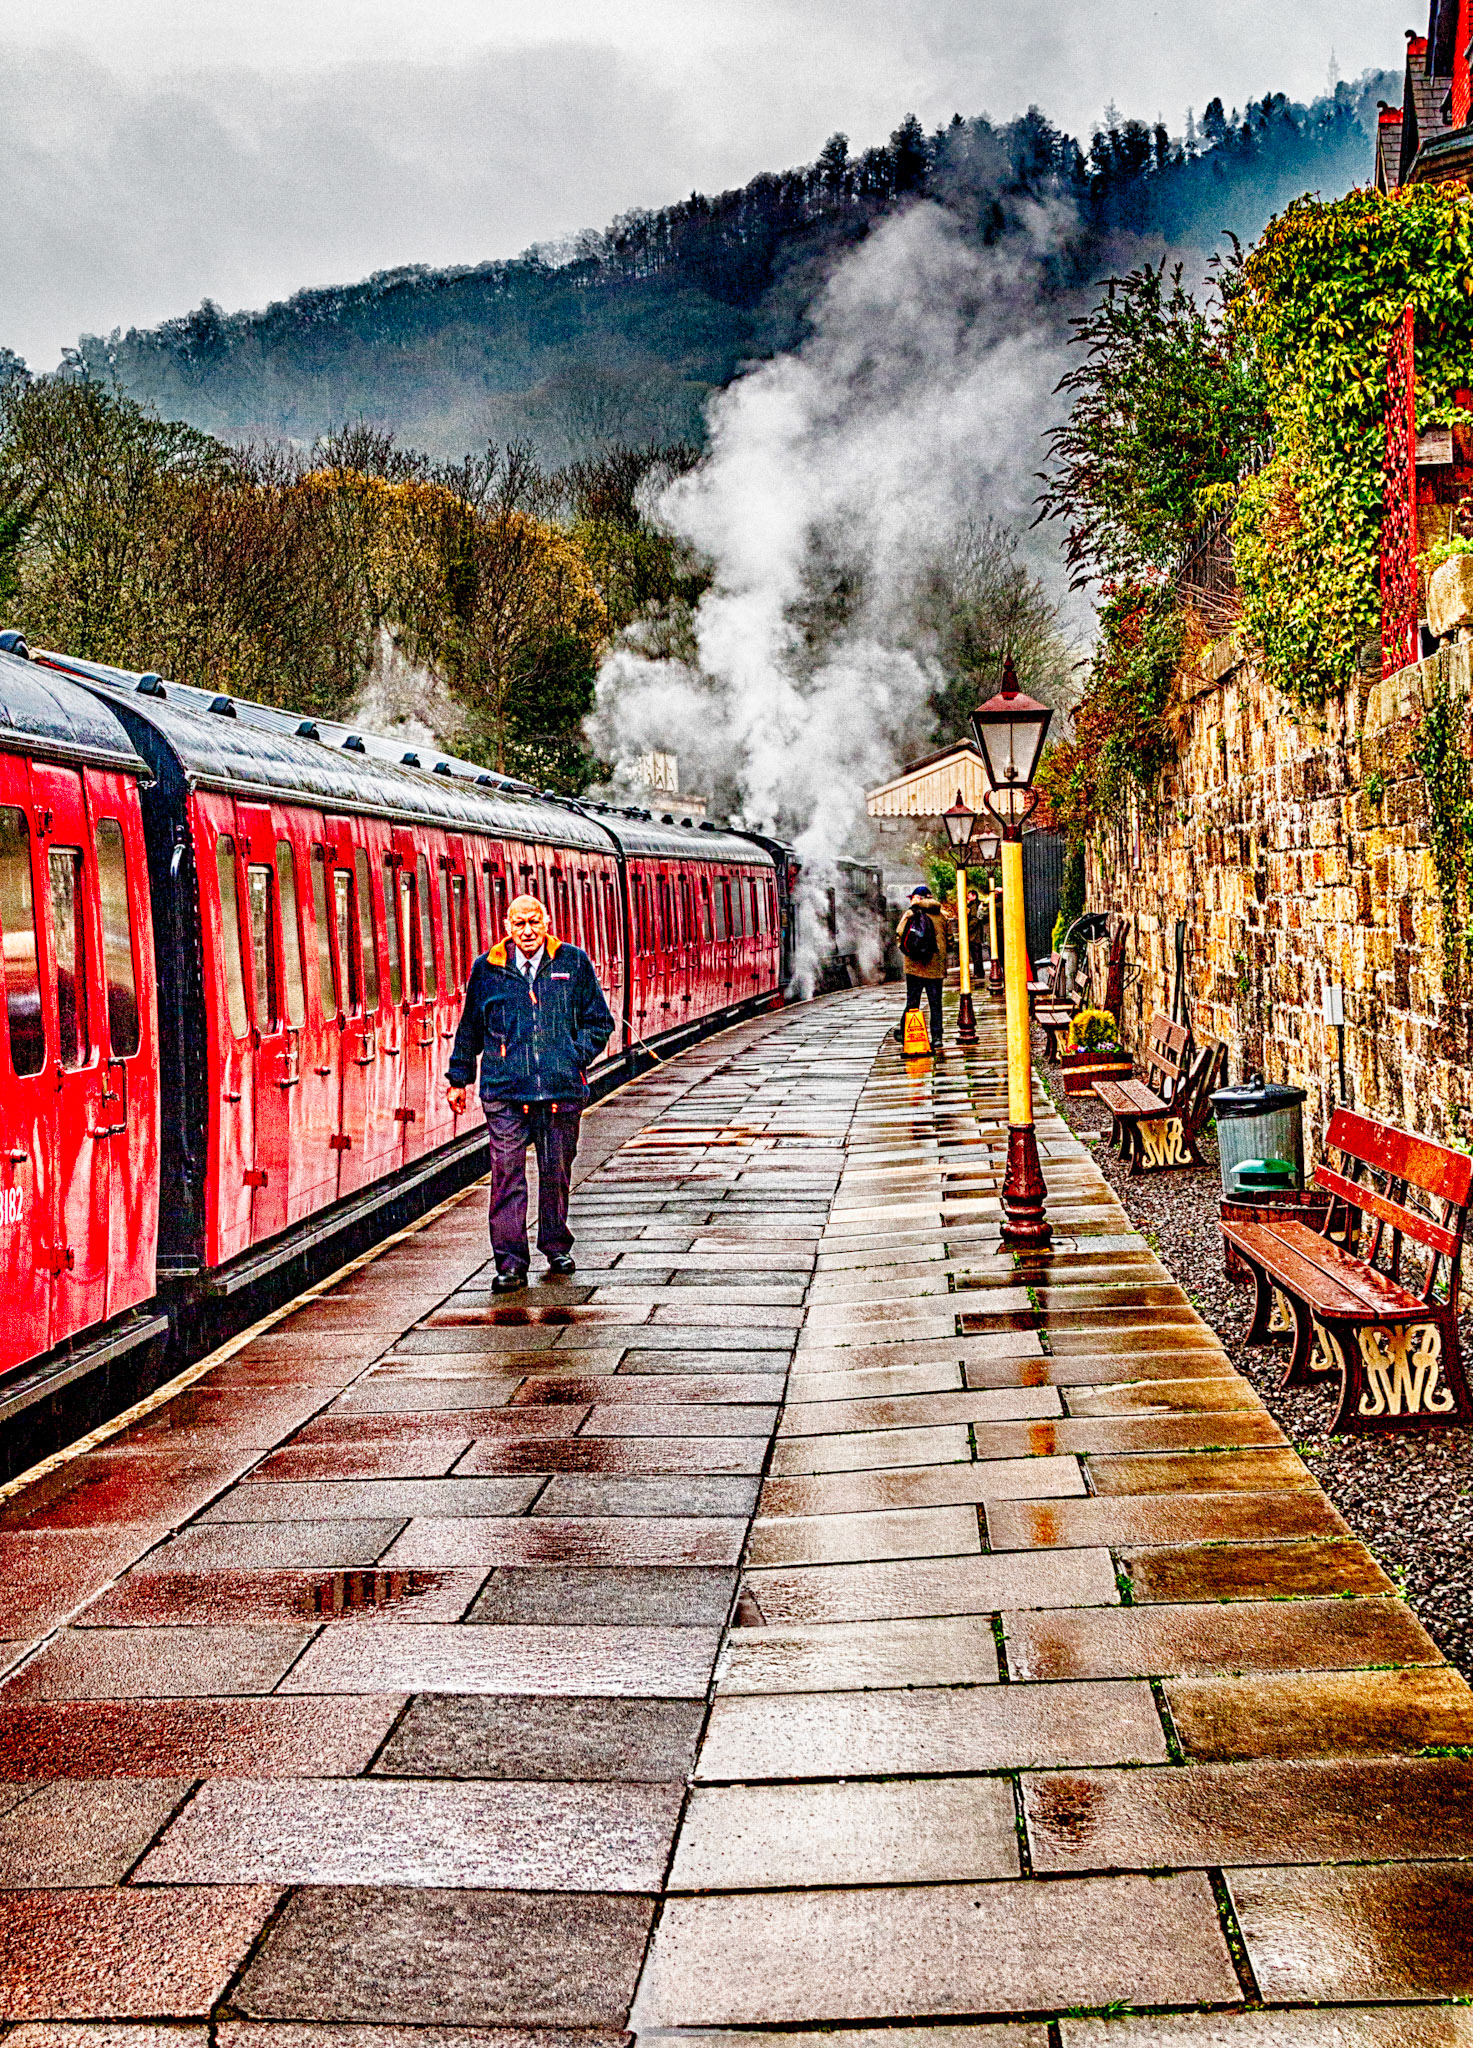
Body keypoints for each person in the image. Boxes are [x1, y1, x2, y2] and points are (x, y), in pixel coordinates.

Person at [445, 893, 615, 1293]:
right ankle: (509, 1263)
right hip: (505, 1091)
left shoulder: (573, 962)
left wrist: (573, 1055)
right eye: (519, 923)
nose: (526, 931)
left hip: (559, 1091)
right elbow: (471, 1028)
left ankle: (555, 1245)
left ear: (547, 923)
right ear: (507, 926)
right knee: (507, 1177)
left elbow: (599, 1021)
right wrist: (459, 1079)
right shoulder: (487, 970)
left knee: (555, 1173)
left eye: (533, 922)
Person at [894, 882, 949, 1048]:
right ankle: (937, 1037)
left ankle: (905, 1033)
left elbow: (899, 934)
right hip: (936, 966)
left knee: (913, 1002)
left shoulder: (911, 913)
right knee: (935, 1003)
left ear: (918, 898)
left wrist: (908, 952)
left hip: (915, 965)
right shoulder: (942, 915)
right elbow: (950, 940)